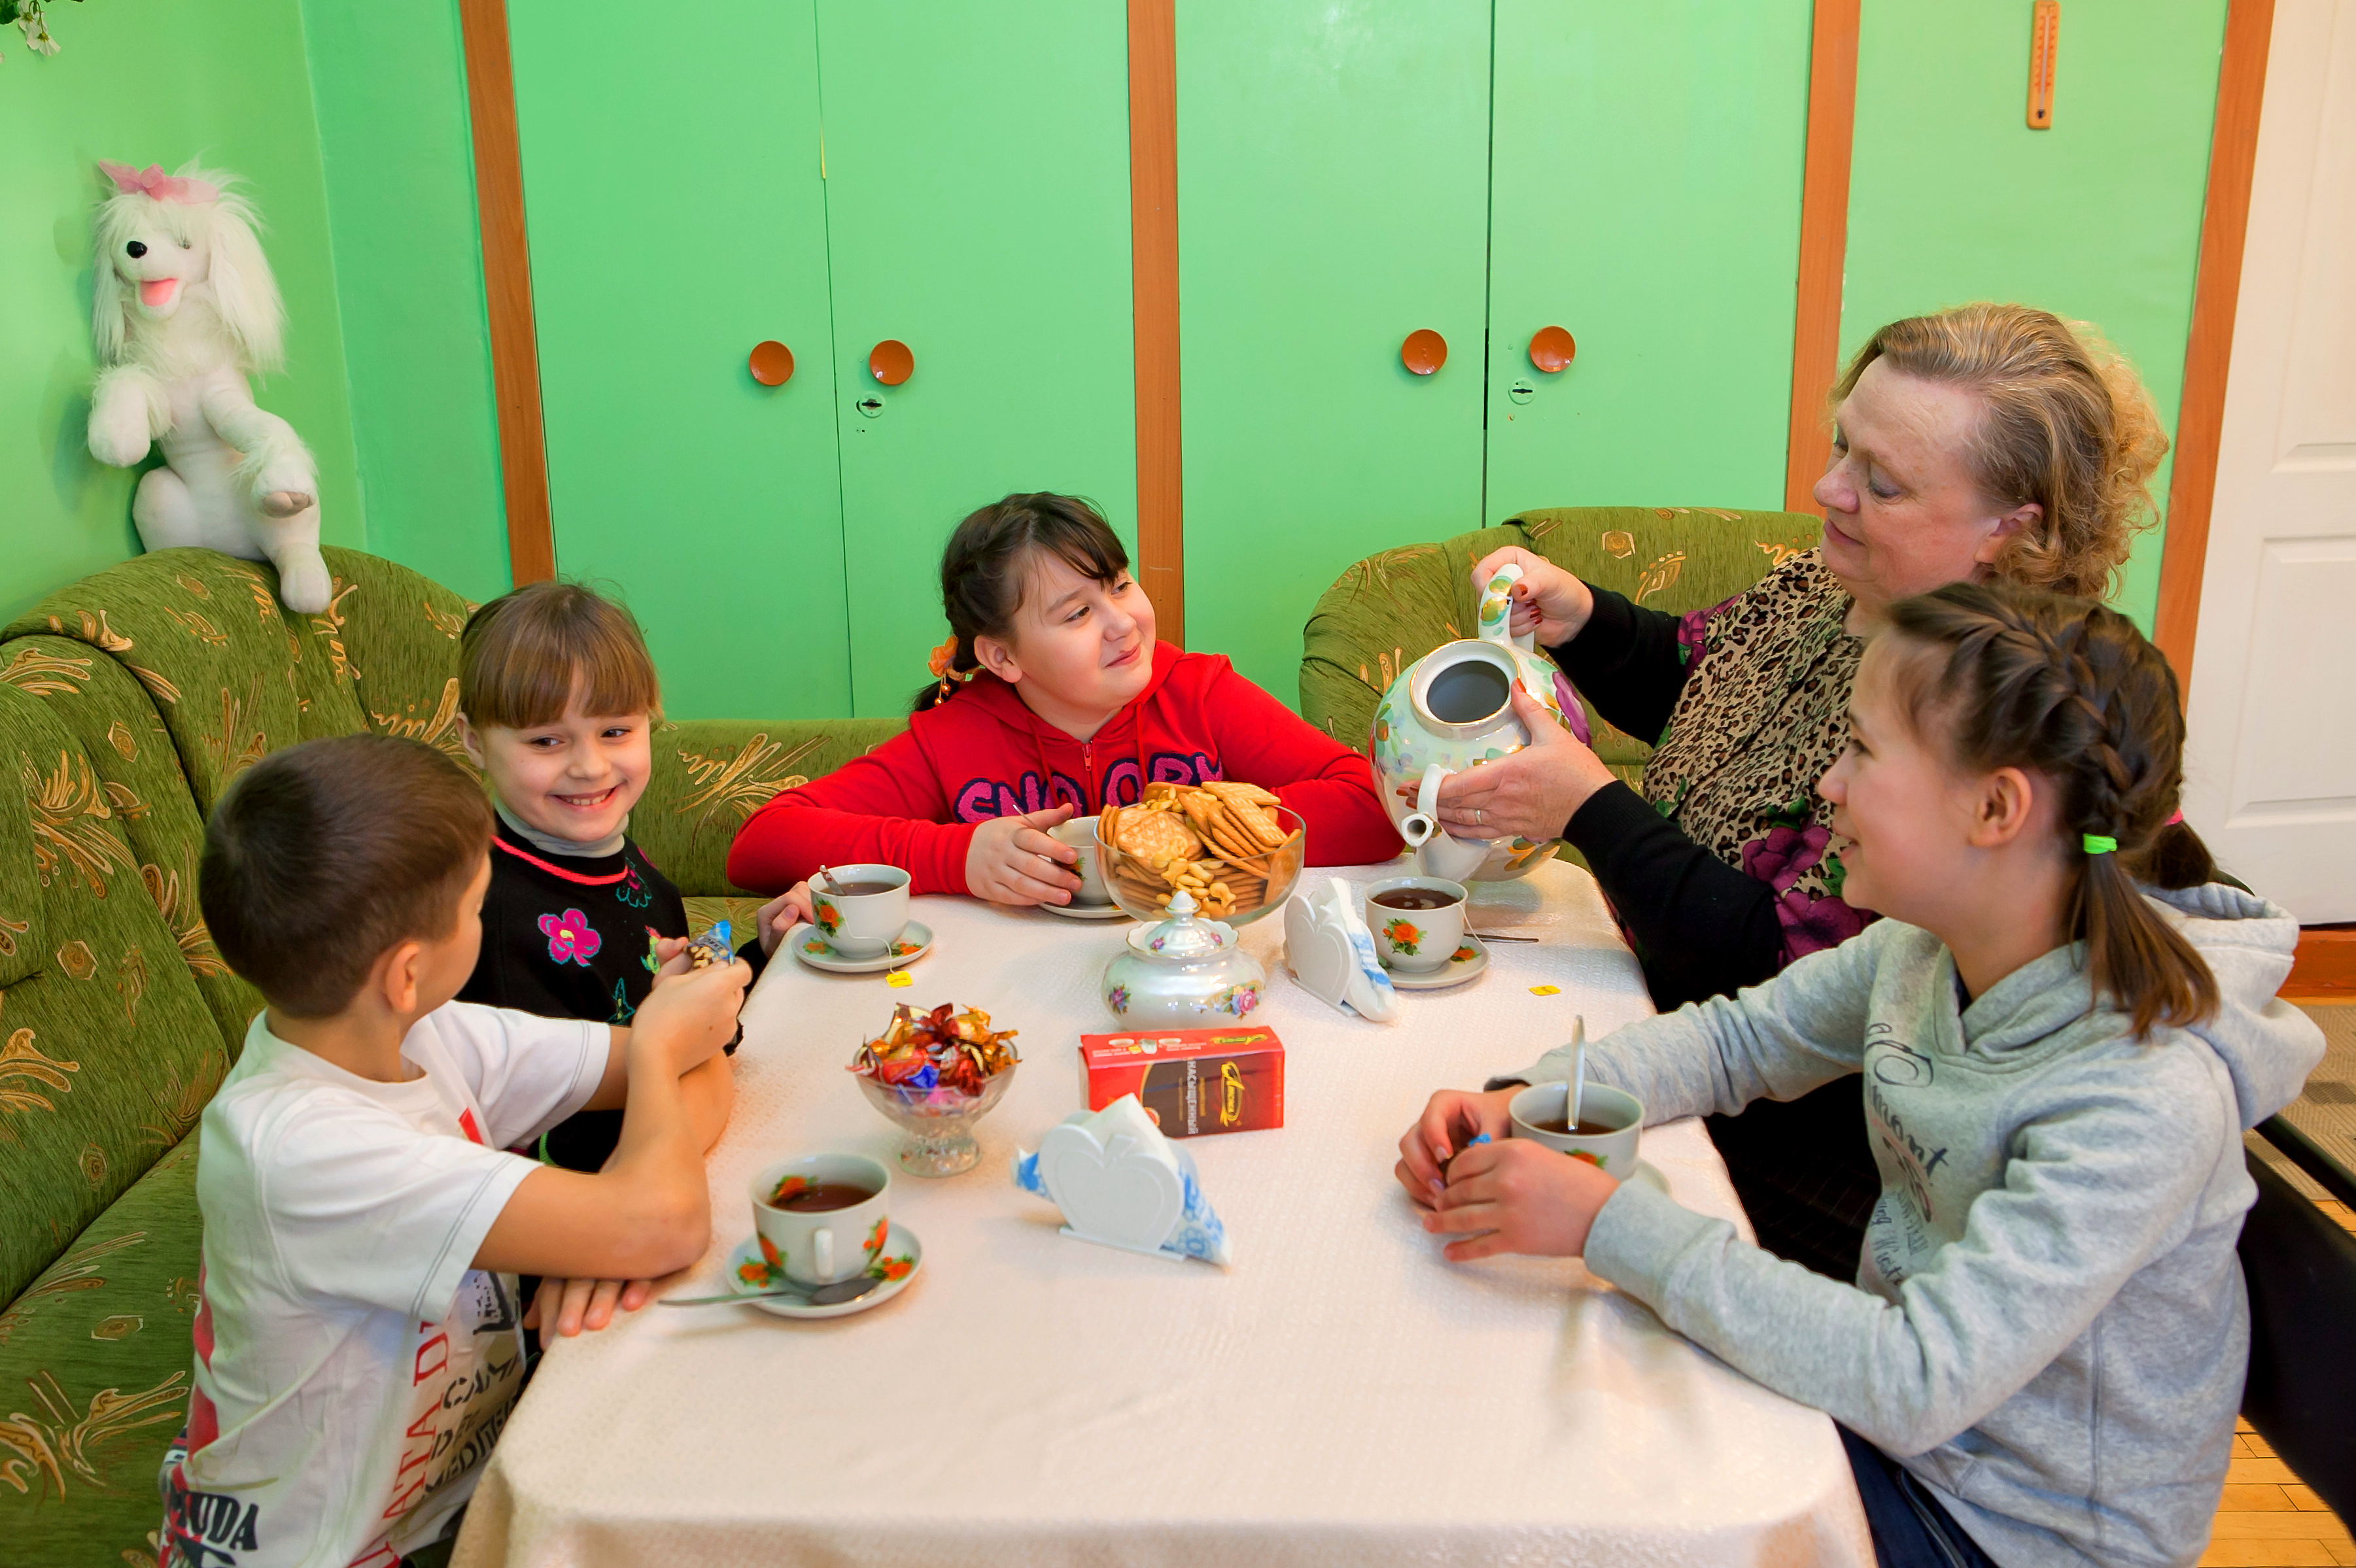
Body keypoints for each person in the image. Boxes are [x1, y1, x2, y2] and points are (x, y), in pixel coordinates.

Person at [1396, 583, 2323, 1568]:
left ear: (1995, 807)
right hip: (1907, 1445)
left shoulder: (2142, 1094)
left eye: (1863, 753)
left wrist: (1599, 1222)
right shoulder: (1928, 946)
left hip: (2005, 1534)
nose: (1828, 785)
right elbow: (1735, 1043)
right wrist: (1520, 1091)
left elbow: (1916, 1373)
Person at [1422, 304, 2172, 1279]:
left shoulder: (1998, 716)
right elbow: (1700, 674)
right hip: (1698, 1058)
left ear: (2008, 529)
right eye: (1840, 446)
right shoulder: (1834, 590)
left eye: (1883, 482)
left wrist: (1587, 810)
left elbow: (1771, 974)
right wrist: (1585, 619)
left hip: (1819, 1170)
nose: (1827, 489)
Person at [162, 734, 750, 1568]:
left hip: (455, 1498)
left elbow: (705, 1061)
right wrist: (650, 1085)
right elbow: (669, 1204)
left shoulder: (430, 1032)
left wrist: (607, 1222)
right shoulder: (302, 1148)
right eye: (478, 908)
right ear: (406, 972)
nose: (488, 921)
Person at [727, 492, 1401, 915]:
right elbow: (761, 843)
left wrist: (1187, 830)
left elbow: (1372, 808)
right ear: (1002, 657)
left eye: (1119, 584)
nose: (1122, 622)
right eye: (1076, 613)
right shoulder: (953, 736)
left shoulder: (1199, 692)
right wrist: (958, 857)